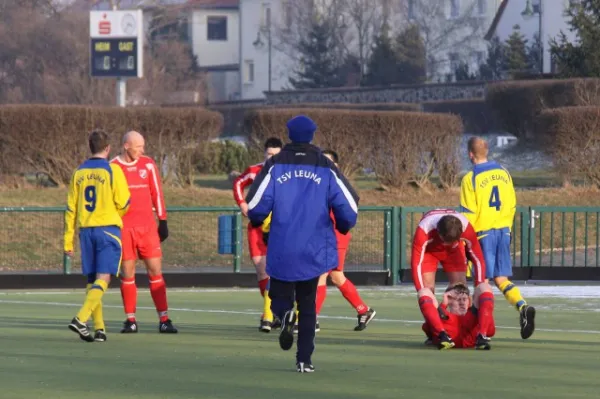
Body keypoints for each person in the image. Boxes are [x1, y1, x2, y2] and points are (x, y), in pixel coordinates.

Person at [246, 115, 359, 373]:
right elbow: (349, 206)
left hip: (282, 244)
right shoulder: (325, 166)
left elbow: (254, 206)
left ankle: (283, 313)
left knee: (278, 292)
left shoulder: (275, 164)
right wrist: (343, 224)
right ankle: (304, 359)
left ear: (289, 134)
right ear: (311, 135)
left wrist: (259, 220)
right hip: (314, 247)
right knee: (308, 304)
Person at [459, 136, 535, 339]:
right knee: (501, 278)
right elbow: (512, 203)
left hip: (483, 234)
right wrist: (507, 228)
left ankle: (482, 329)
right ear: (488, 151)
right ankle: (522, 306)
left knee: (480, 281)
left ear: (470, 154)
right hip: (503, 230)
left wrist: (464, 240)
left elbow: (468, 213)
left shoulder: (470, 178)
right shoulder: (504, 172)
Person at [64, 129, 131, 342]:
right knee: (104, 277)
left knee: (92, 279)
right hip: (107, 230)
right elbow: (124, 203)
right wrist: (113, 213)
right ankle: (80, 319)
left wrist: (68, 240)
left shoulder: (78, 173)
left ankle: (99, 329)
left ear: (90, 148)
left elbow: (70, 209)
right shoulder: (113, 171)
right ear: (108, 148)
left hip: (86, 231)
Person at [111, 131, 177, 334]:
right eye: (138, 146)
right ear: (126, 146)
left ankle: (164, 319)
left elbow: (156, 192)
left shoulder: (148, 164)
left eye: (142, 146)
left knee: (155, 271)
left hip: (147, 228)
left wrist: (163, 220)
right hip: (124, 229)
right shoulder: (113, 167)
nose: (142, 150)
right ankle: (130, 320)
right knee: (127, 273)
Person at [313, 149, 375, 332]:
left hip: (336, 235)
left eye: (326, 161)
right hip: (322, 236)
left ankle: (311, 319)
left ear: (336, 165)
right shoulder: (317, 183)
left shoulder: (338, 183)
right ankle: (364, 310)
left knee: (320, 275)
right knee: (336, 276)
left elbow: (352, 204)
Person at [411, 209, 486, 348]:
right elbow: (416, 264)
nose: (445, 244)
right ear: (438, 233)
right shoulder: (424, 230)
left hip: (454, 252)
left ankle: (463, 330)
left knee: (460, 289)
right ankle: (435, 331)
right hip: (429, 252)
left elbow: (478, 258)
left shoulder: (466, 227)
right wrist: (423, 293)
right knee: (427, 290)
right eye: (444, 241)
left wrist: (479, 286)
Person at [232, 137, 283, 332]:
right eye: (269, 154)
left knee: (277, 271)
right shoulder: (255, 171)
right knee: (261, 268)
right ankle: (271, 311)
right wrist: (242, 203)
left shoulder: (285, 173)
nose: (271, 158)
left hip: (279, 228)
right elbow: (238, 183)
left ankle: (271, 314)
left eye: (275, 155)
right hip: (257, 226)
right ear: (264, 154)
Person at [420, 282, 495, 350]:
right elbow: (428, 329)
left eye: (464, 299)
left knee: (484, 286)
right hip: (445, 329)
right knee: (424, 291)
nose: (462, 303)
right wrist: (443, 304)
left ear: (469, 300)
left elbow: (491, 331)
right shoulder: (442, 317)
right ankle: (443, 336)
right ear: (449, 300)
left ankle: (482, 336)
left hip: (473, 327)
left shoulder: (475, 317)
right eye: (458, 299)